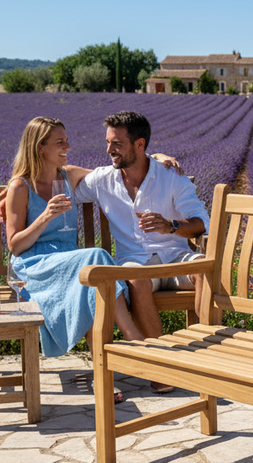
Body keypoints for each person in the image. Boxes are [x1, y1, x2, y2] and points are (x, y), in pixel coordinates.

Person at [73, 111, 209, 393]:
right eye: (108, 142)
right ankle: (161, 365)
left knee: (205, 271)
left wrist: (171, 226)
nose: (109, 150)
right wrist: (14, 191)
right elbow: (60, 176)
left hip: (176, 258)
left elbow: (201, 223)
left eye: (117, 144)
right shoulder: (102, 179)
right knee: (136, 279)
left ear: (139, 144)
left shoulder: (171, 177)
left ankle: (206, 361)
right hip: (136, 263)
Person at [4, 116, 146, 364]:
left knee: (92, 281)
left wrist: (159, 158)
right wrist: (45, 216)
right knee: (96, 259)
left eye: (67, 140)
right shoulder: (21, 187)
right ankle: (133, 337)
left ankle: (102, 371)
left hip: (70, 262)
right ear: (40, 147)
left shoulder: (67, 176)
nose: (68, 147)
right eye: (60, 142)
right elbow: (15, 246)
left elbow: (116, 173)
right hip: (37, 264)